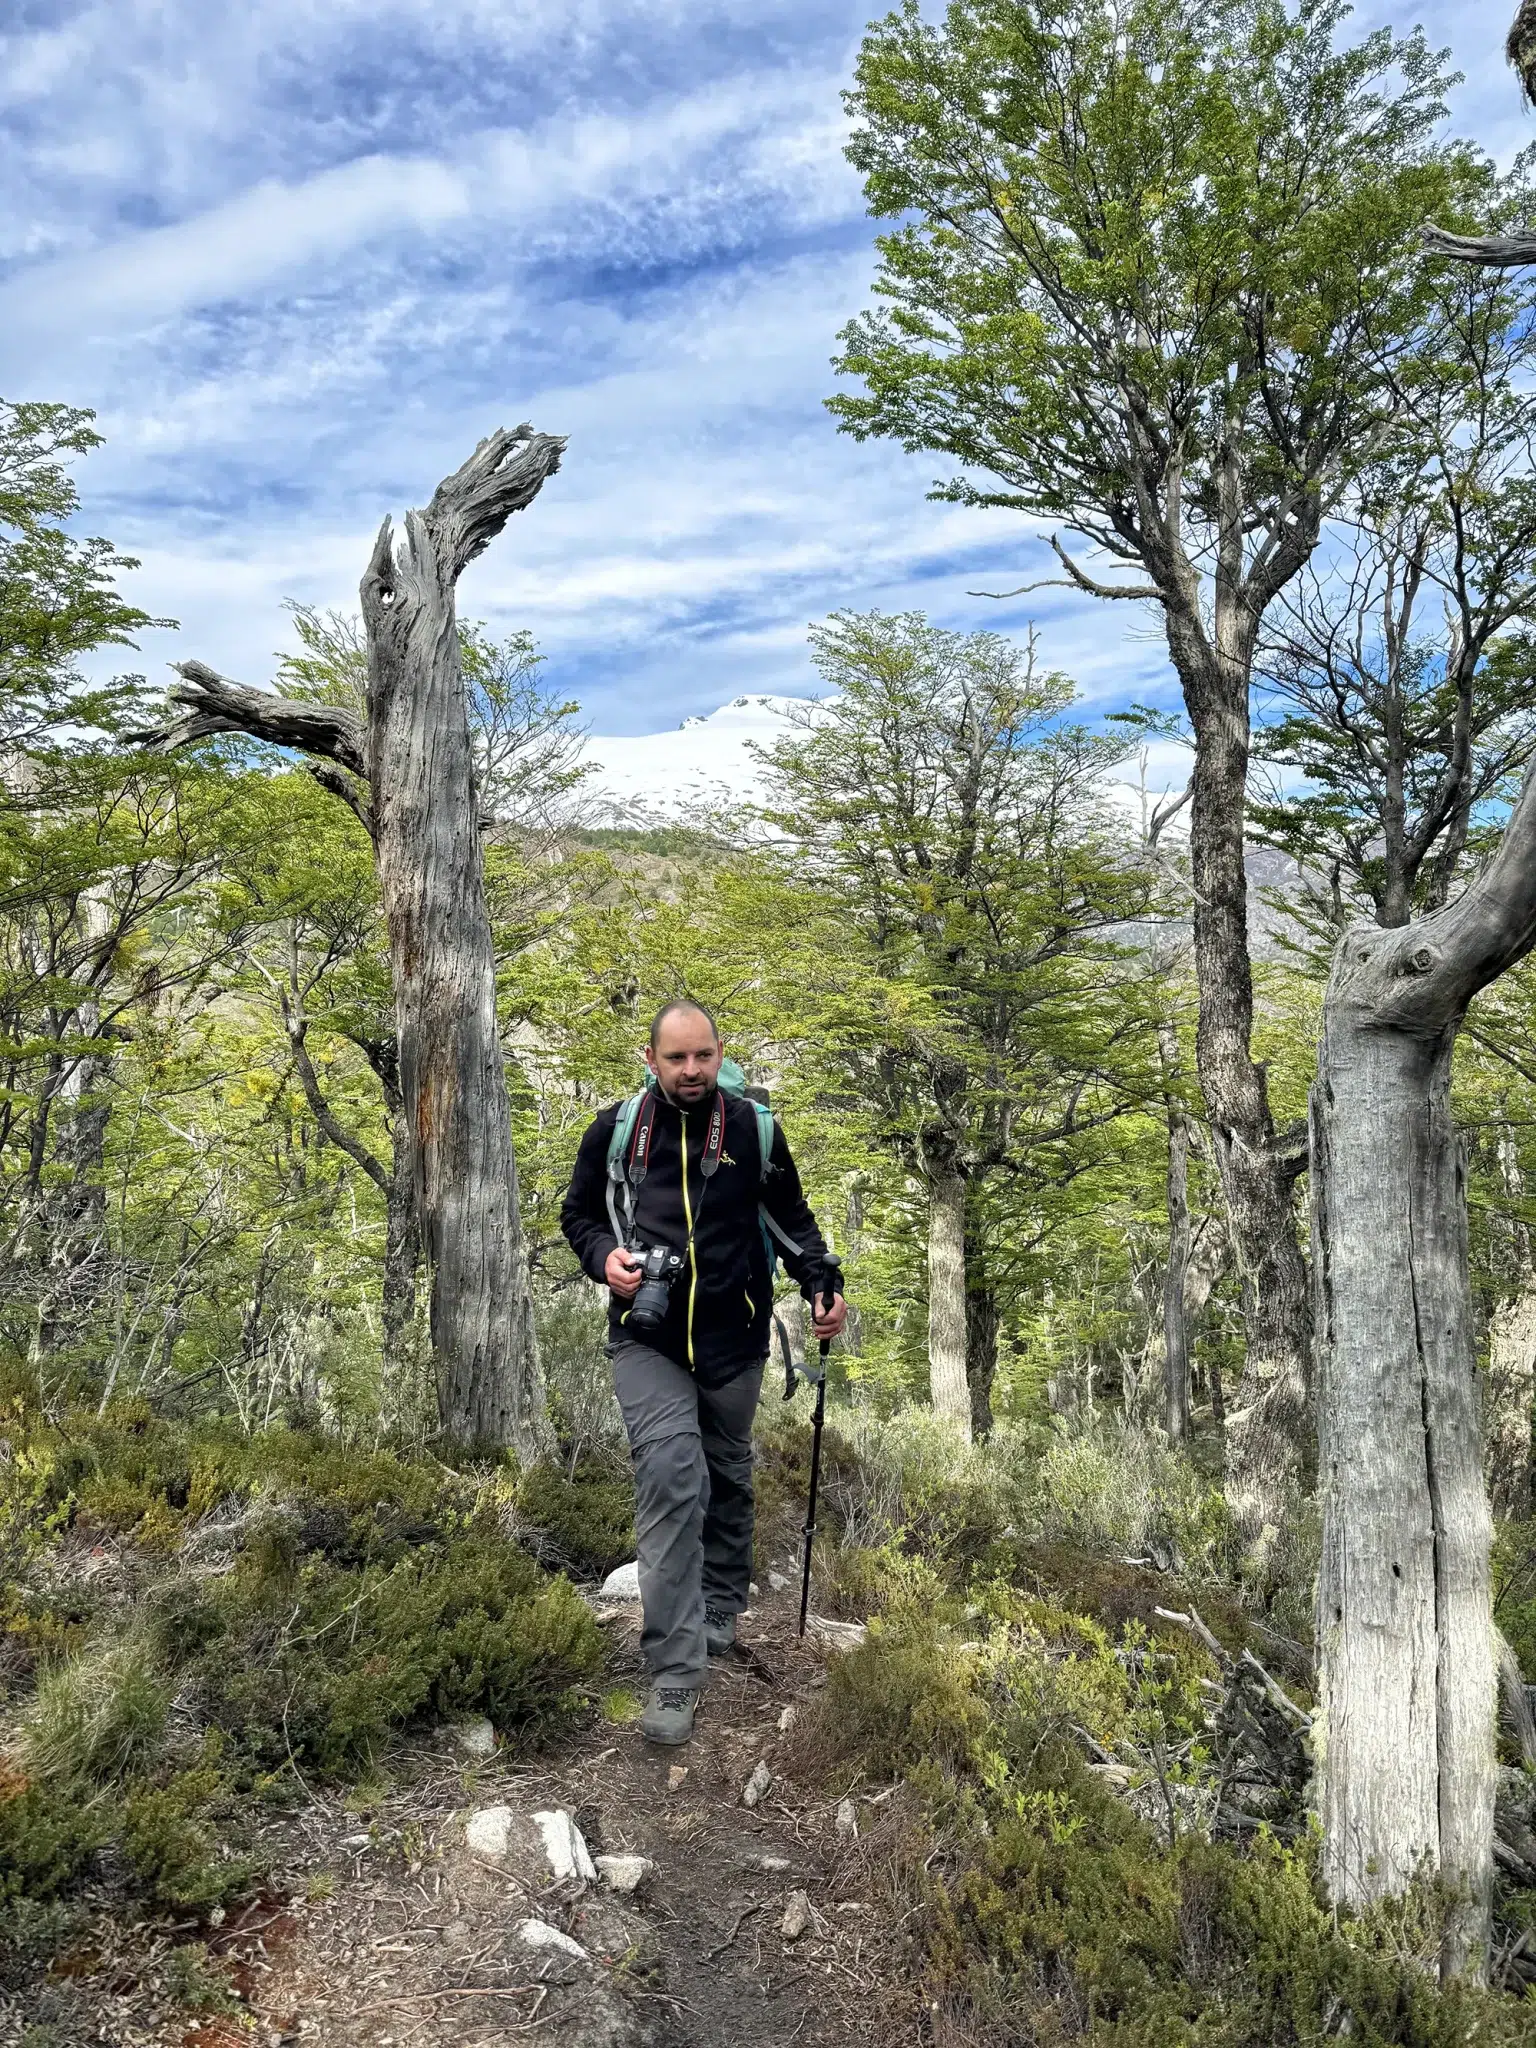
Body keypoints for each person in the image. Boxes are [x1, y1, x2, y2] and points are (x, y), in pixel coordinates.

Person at [560, 1000, 847, 1744]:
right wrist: (606, 1262)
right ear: (650, 1059)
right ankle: (675, 1673)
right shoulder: (616, 1131)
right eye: (677, 1058)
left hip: (734, 1338)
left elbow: (792, 1220)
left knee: (726, 1468)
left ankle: (723, 1596)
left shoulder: (754, 1130)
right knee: (670, 1479)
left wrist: (821, 1283)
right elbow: (579, 1216)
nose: (691, 1072)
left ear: (721, 1055)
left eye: (703, 1057)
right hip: (646, 1338)